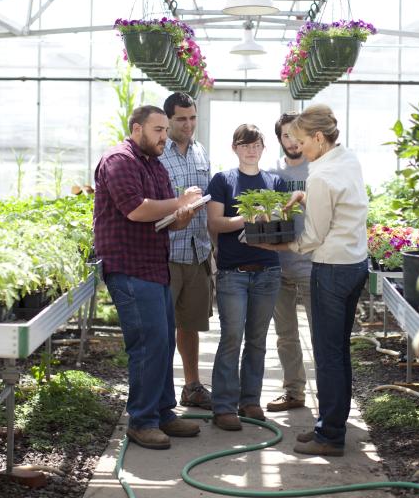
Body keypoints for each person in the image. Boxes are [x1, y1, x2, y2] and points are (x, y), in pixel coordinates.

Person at [260, 104, 368, 457]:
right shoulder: (346, 158)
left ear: (319, 138)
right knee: (339, 351)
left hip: (331, 270)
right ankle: (330, 425)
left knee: (328, 354)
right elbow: (342, 202)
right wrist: (304, 196)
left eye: (303, 141)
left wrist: (274, 243)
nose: (299, 147)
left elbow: (312, 238)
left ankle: (330, 436)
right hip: (354, 265)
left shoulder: (320, 175)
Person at [93, 105, 203, 450]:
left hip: (155, 266)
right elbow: (136, 209)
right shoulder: (119, 161)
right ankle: (141, 421)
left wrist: (182, 216)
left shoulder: (155, 166)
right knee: (146, 345)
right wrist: (177, 202)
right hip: (129, 268)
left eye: (165, 131)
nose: (163, 137)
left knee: (163, 343)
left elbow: (166, 218)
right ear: (137, 128)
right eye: (158, 130)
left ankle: (163, 413)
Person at [206, 124, 287, 431]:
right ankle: (224, 406)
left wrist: (271, 218)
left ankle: (250, 400)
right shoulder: (223, 180)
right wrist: (246, 218)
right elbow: (215, 222)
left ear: (264, 149)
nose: (251, 150)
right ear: (235, 148)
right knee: (231, 337)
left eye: (256, 145)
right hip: (233, 274)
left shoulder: (274, 181)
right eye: (245, 145)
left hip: (267, 270)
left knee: (257, 339)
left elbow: (281, 223)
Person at [159, 92, 213, 410]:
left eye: (192, 117)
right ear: (168, 120)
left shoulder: (200, 152)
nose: (188, 124)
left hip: (197, 251)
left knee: (190, 323)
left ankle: (191, 386)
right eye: (181, 118)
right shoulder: (156, 154)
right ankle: (161, 393)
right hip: (166, 252)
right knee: (162, 327)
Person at [266, 113, 313, 412]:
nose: (292, 142)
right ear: (279, 138)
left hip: (313, 263)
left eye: (297, 136)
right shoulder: (271, 173)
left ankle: (333, 399)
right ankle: (294, 391)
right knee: (285, 334)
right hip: (278, 264)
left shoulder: (319, 169)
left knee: (322, 334)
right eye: (286, 136)